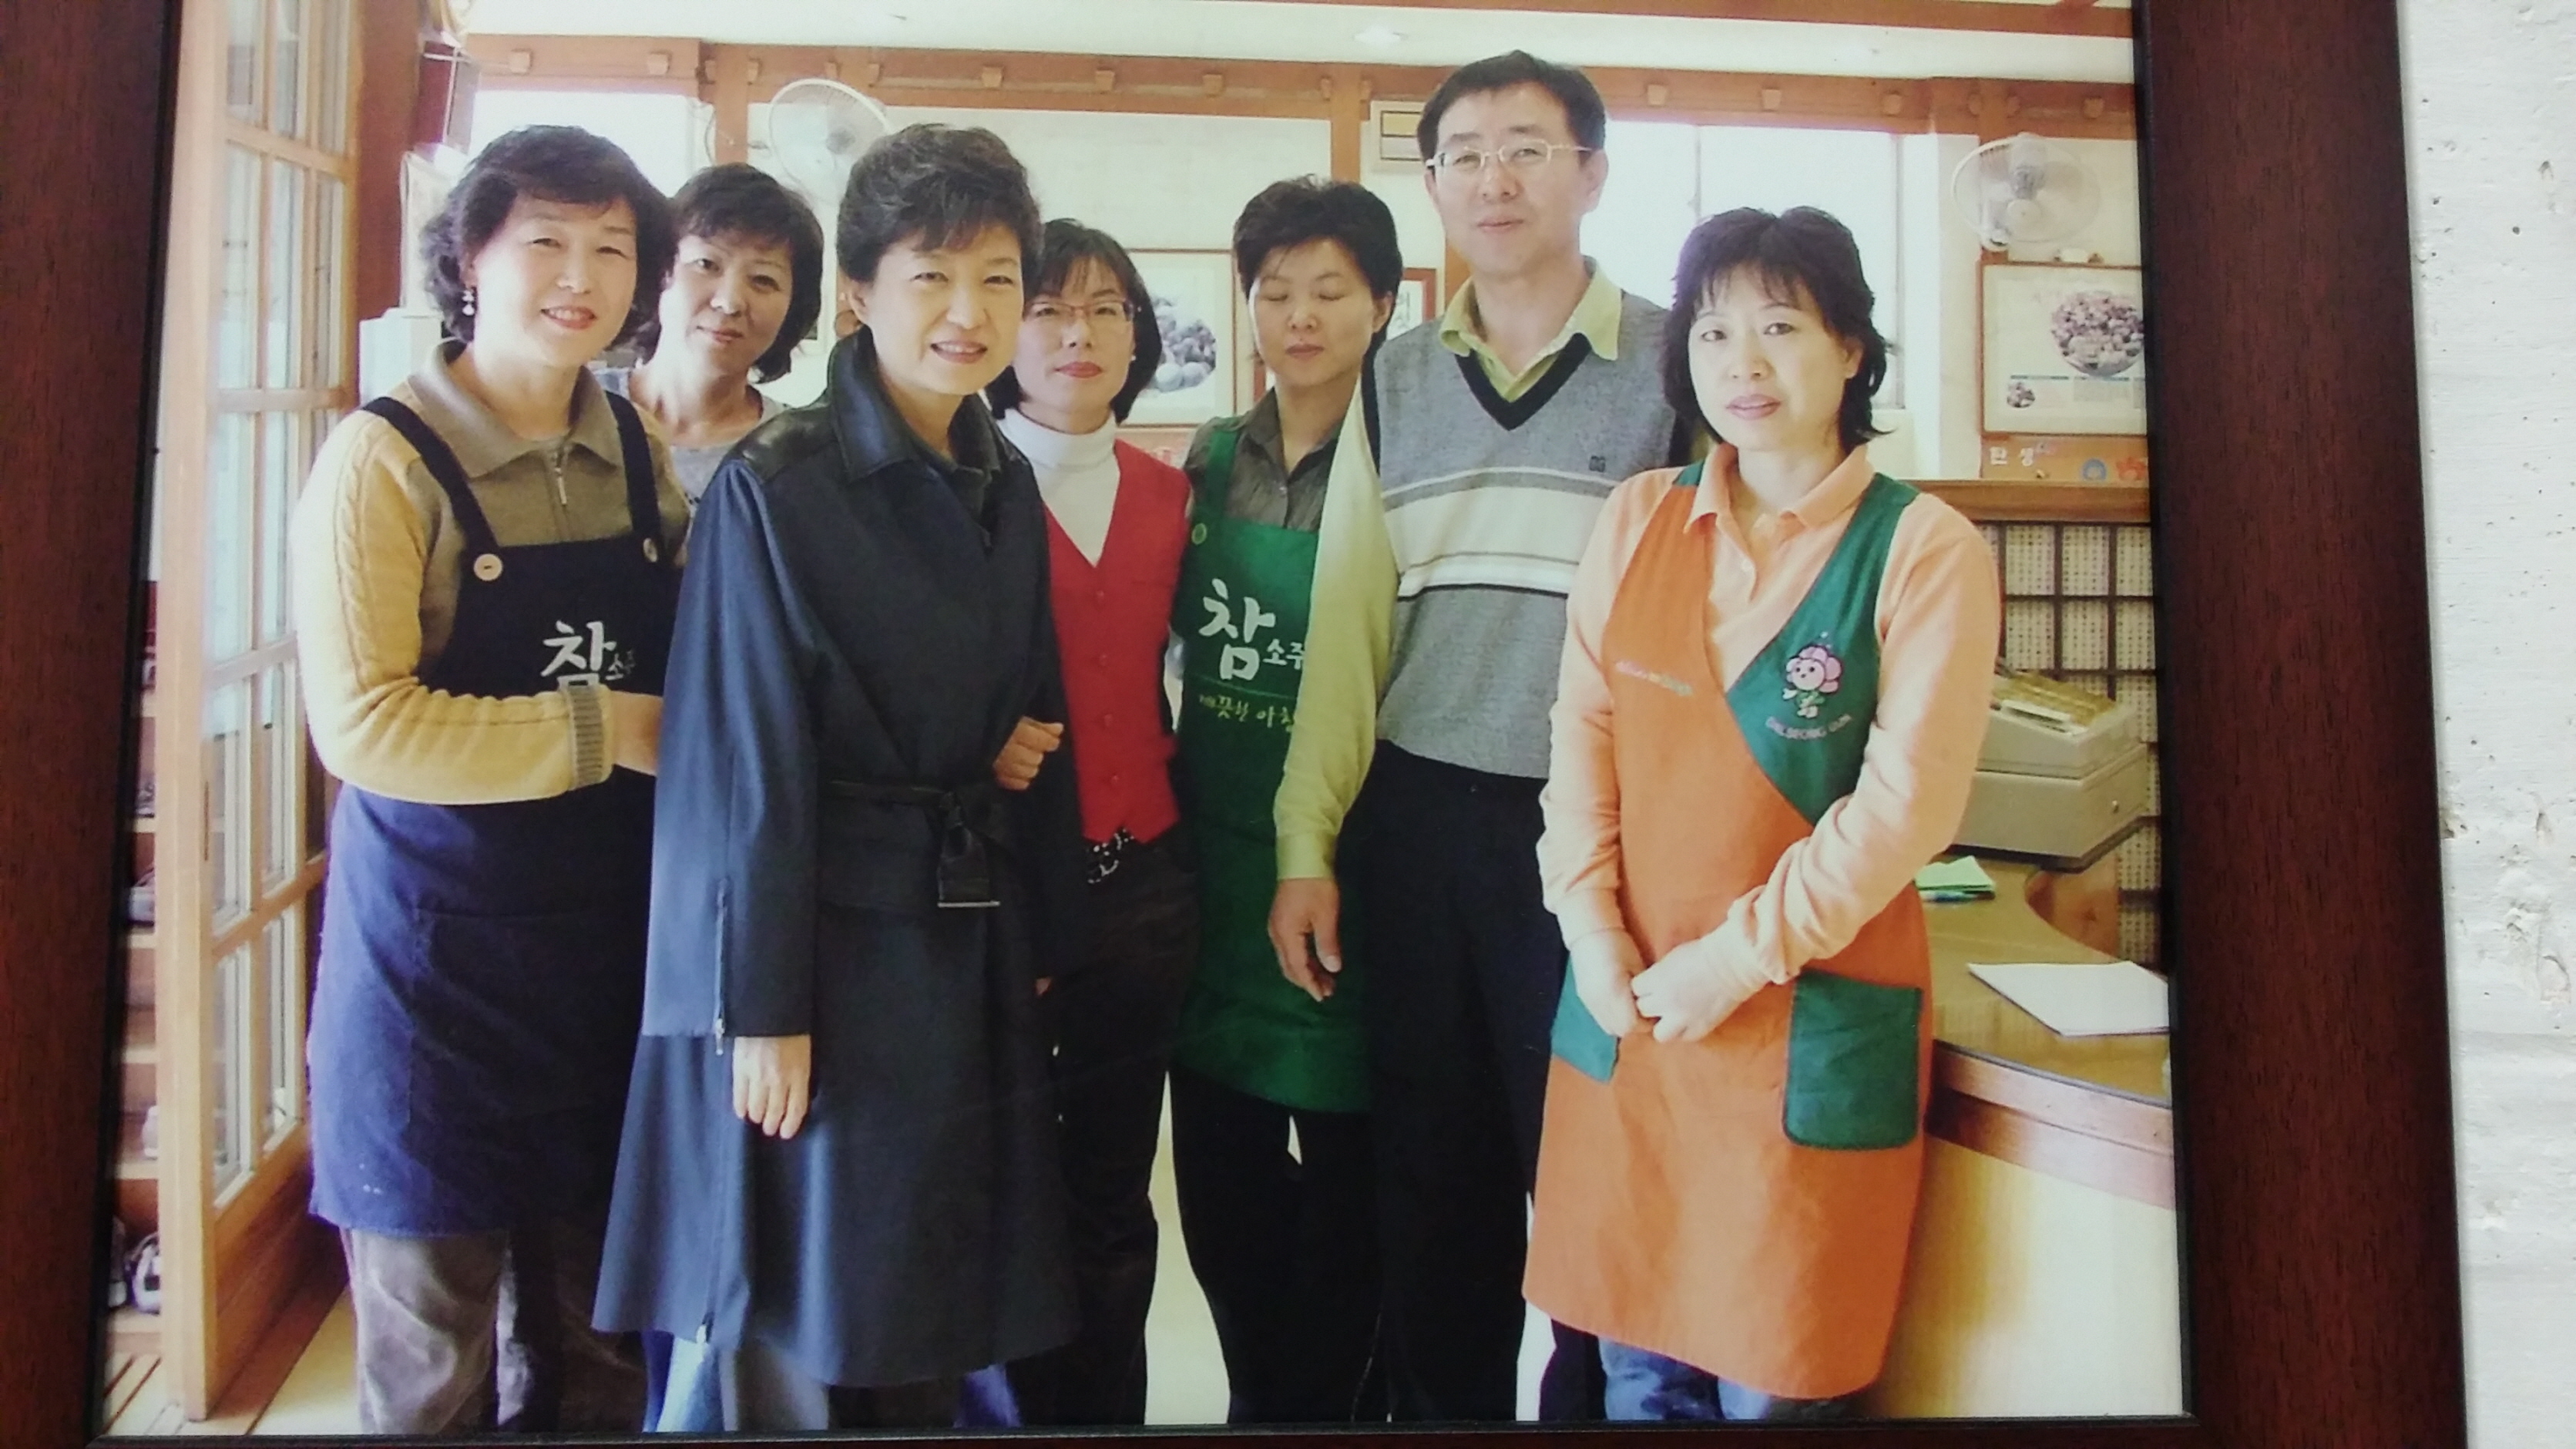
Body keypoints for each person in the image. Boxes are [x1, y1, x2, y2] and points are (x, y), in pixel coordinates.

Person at [591, 123, 1085, 1434]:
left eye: (995, 279)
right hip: (824, 952)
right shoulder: (779, 484)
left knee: (934, 1294)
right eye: (931, 277)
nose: (967, 312)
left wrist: (1045, 927)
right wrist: (761, 1009)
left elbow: (1034, 712)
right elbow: (740, 768)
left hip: (962, 936)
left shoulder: (1001, 474)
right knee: (813, 1308)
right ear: (859, 293)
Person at [1265, 52, 1692, 1423]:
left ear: (1591, 172)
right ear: (1434, 184)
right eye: (1460, 154)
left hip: (1604, 841)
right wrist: (1305, 843)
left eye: (1524, 148)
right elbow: (1346, 631)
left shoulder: (1681, 364)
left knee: (1589, 1177)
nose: (1490, 179)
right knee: (1431, 1187)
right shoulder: (1392, 381)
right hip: (1417, 827)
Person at [1524, 206, 2001, 1421]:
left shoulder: (1922, 549)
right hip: (1631, 1011)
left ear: (1849, 348)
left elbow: (1902, 808)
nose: (1741, 361)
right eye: (1712, 331)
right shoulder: (1637, 517)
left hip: (1801, 1020)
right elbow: (1579, 739)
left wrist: (1731, 962)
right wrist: (1588, 930)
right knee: (1636, 1375)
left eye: (1779, 327)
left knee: (1773, 1386)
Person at [292, 124, 683, 1434]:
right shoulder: (382, 462)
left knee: (600, 1340)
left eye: (613, 249)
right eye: (545, 242)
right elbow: (364, 727)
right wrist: (607, 728)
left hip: (598, 967)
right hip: (431, 986)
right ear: (468, 258)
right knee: (431, 1357)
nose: (582, 276)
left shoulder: (635, 448)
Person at [1164, 177, 1401, 1426]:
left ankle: (1323, 1413)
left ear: (1383, 304)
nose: (1298, 317)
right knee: (1223, 1194)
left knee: (1356, 1199)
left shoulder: (1406, 460)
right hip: (1215, 872)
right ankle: (1260, 1403)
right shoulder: (1208, 460)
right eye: (1274, 291)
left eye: (1328, 291)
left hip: (1353, 864)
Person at [982, 219, 1196, 1427]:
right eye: (1050, 308)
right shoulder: (964, 488)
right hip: (1005, 891)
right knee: (1003, 1188)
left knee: (1113, 1194)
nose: (1079, 333)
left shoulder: (1172, 494)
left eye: (1106, 308)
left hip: (1143, 889)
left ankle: (1106, 1418)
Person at [598, 162, 825, 506]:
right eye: (706, 264)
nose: (729, 302)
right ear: (660, 270)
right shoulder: (574, 406)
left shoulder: (798, 457)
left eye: (763, 280)